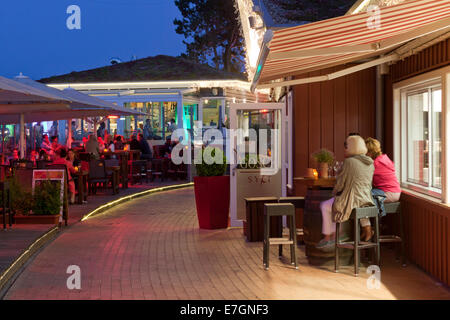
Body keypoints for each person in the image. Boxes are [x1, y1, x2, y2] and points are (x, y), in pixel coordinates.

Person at [316, 135, 375, 249]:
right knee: (332, 205)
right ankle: (334, 236)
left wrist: (334, 192)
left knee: (325, 205)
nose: (345, 149)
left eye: (347, 146)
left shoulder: (349, 162)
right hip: (366, 200)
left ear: (352, 147)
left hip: (352, 200)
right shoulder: (370, 162)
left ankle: (331, 237)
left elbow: (340, 184)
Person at [362, 137, 402, 241]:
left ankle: (367, 229)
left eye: (364, 152)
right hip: (395, 192)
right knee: (365, 197)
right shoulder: (384, 159)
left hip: (387, 193)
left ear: (369, 152)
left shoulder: (375, 164)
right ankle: (368, 228)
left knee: (360, 200)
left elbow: (364, 180)